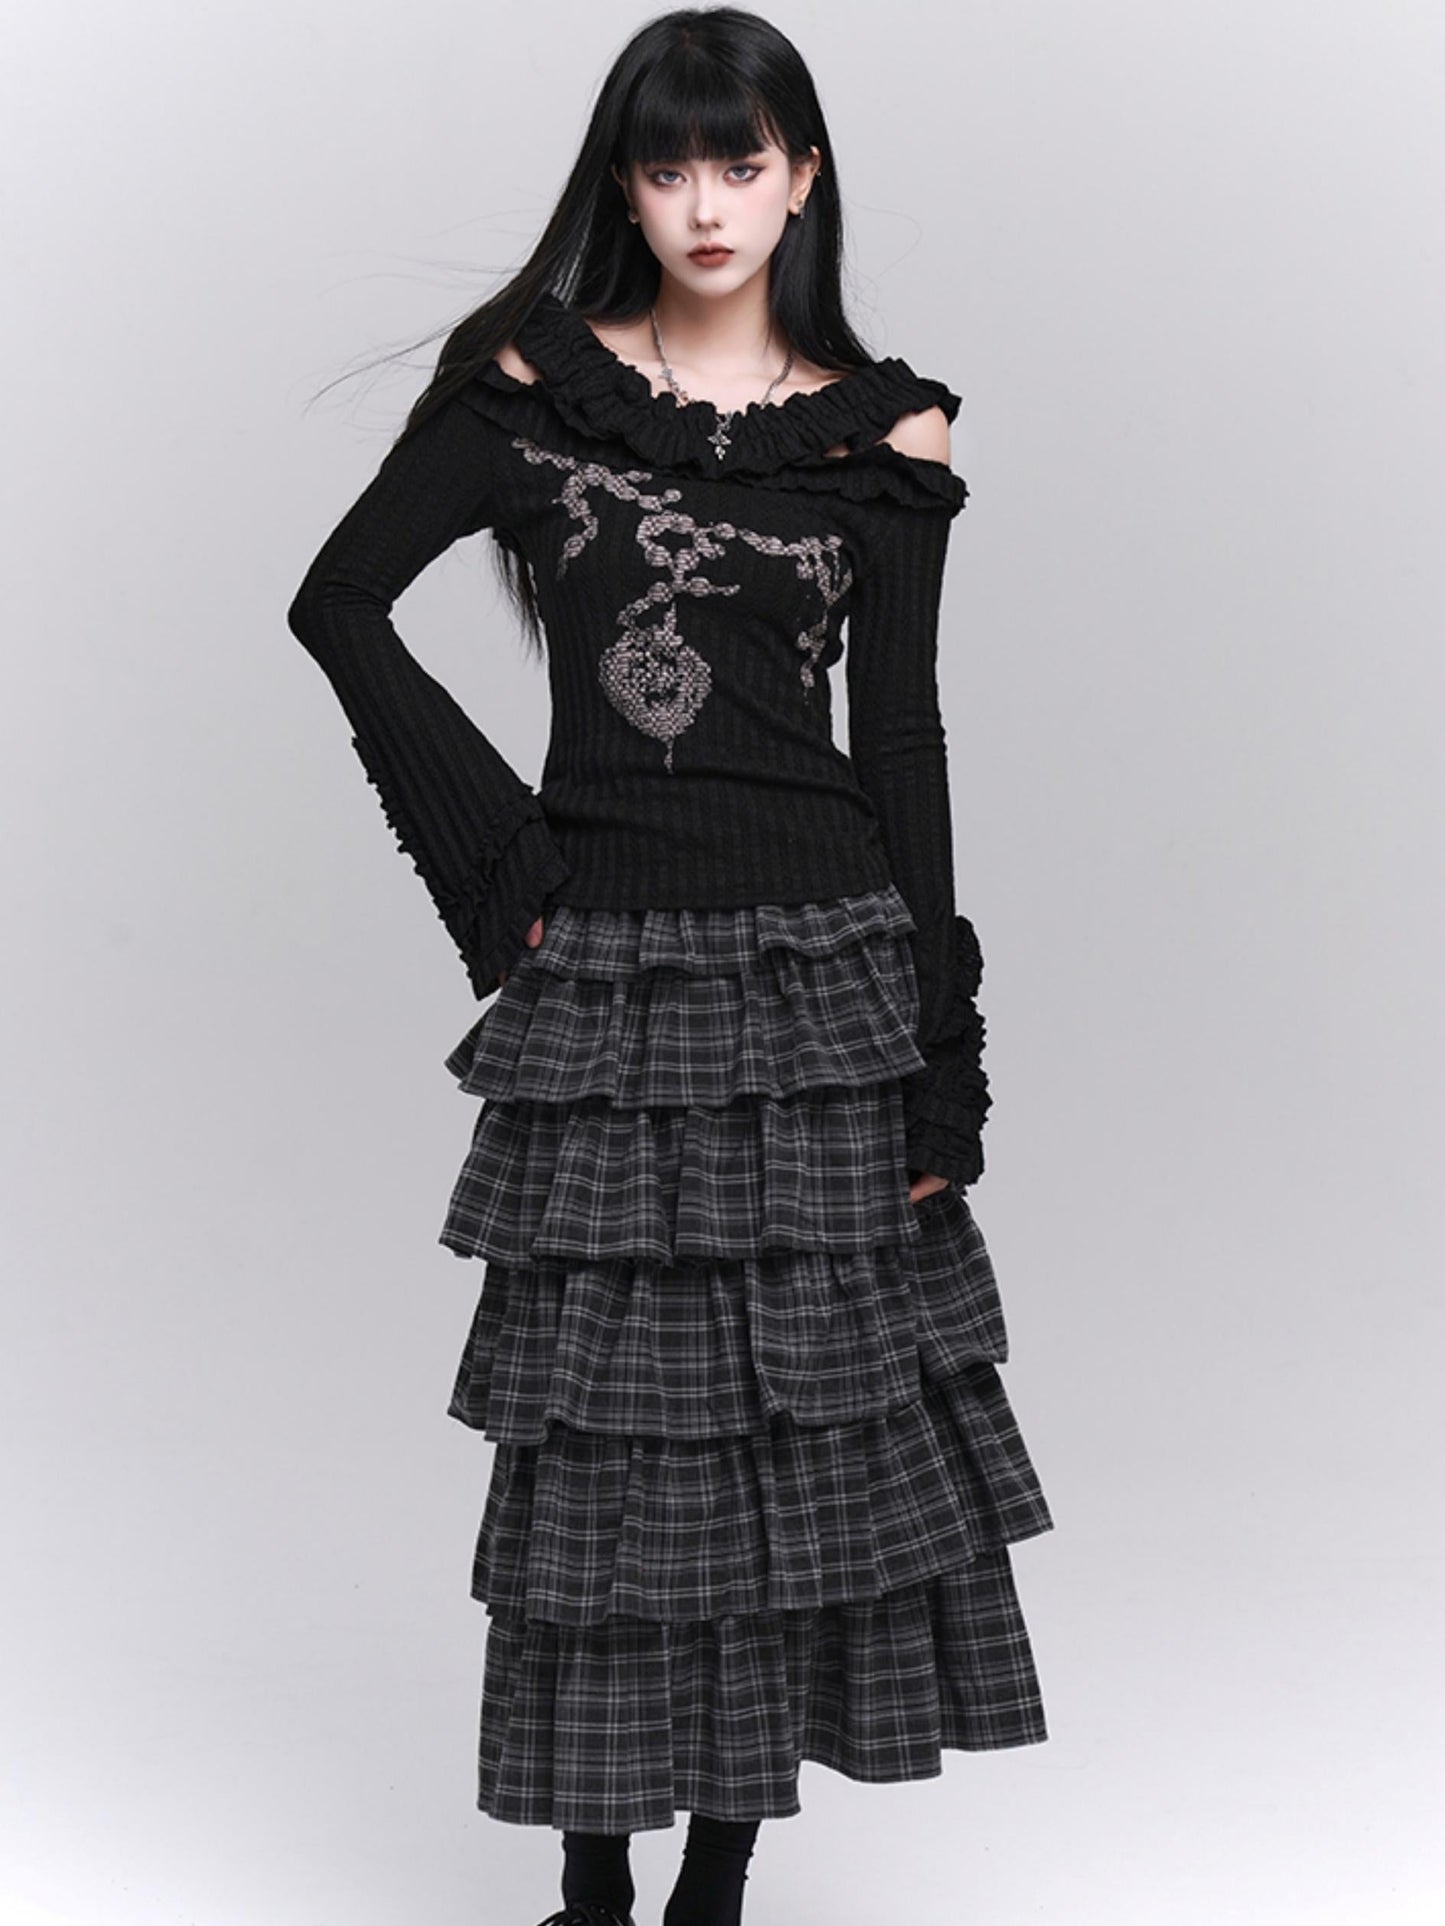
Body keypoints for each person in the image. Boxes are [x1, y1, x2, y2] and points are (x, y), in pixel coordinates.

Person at [286, 9, 1053, 1924]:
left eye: (740, 162)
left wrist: (940, 1050)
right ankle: (591, 1890)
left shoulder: (885, 431)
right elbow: (338, 602)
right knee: (611, 1451)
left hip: (823, 978)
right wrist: (502, 858)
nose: (705, 203)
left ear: (802, 177)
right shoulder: (532, 391)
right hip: (616, 976)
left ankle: (715, 1886)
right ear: (623, 187)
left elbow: (902, 740)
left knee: (793, 1439)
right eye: (665, 166)